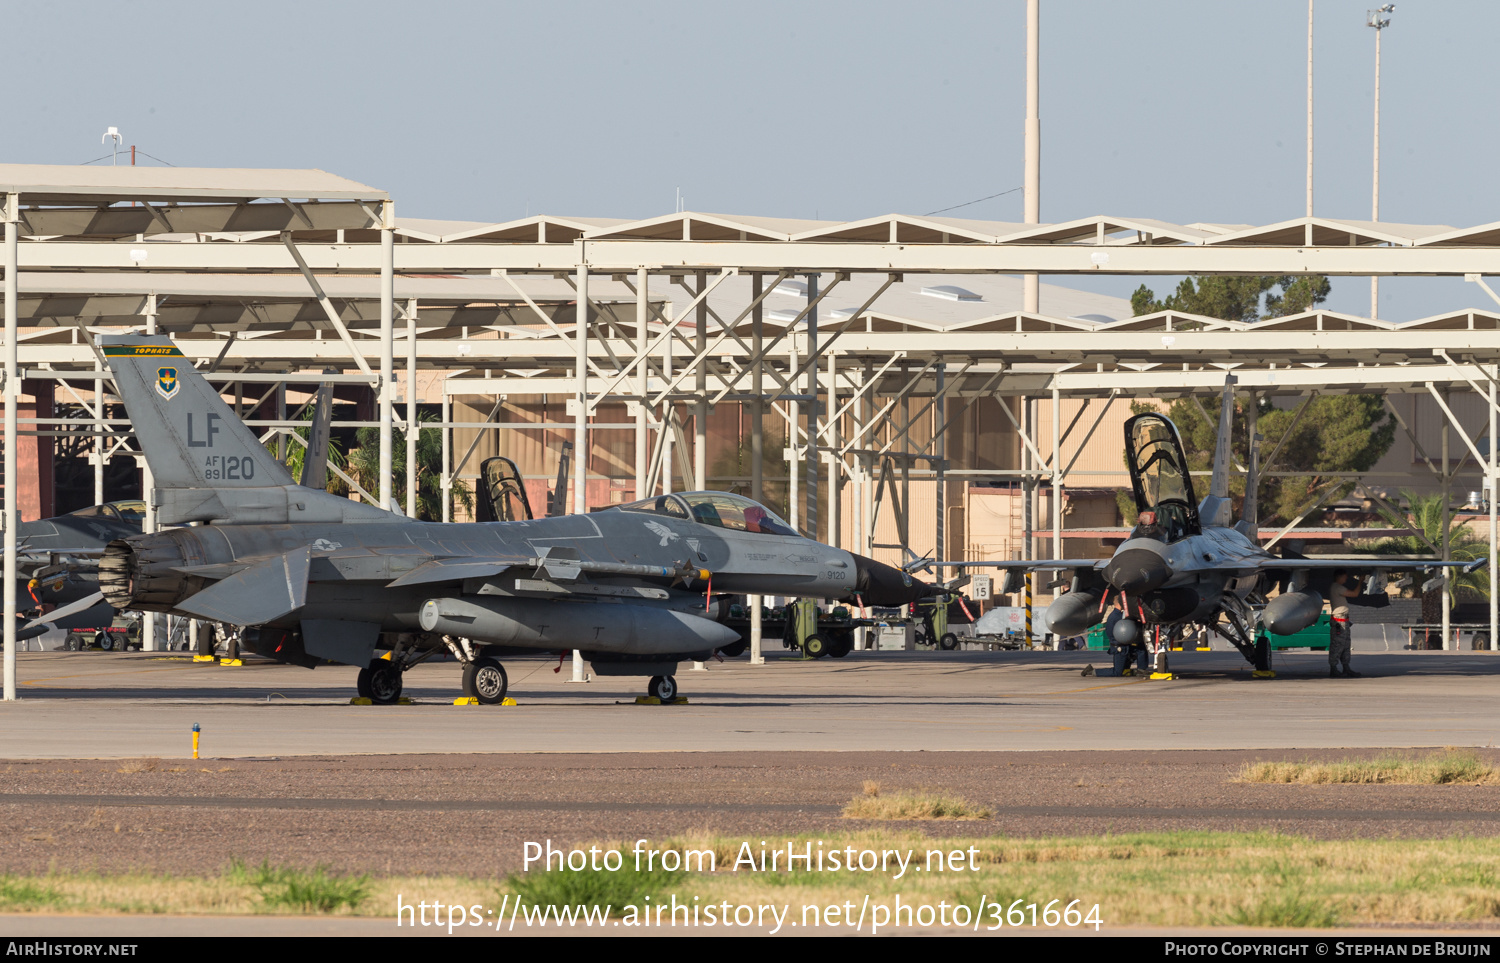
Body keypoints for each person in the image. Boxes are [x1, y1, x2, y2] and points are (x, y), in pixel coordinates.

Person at [1327, 570, 1360, 678]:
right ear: (1339, 577)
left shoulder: (1336, 587)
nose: (1345, 580)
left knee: (1345, 645)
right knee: (1337, 645)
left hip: (1344, 621)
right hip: (1339, 621)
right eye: (1344, 577)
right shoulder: (1337, 587)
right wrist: (1361, 581)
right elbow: (1355, 594)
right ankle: (1333, 668)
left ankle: (1346, 668)